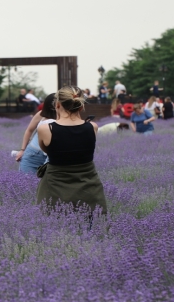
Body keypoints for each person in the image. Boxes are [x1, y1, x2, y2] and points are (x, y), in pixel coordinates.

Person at [36, 86, 107, 216]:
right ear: (80, 107)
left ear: (57, 105)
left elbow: (47, 150)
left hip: (55, 185)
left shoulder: (46, 129)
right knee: (92, 224)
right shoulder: (92, 127)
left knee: (54, 227)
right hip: (88, 186)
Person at [16, 93, 57, 174]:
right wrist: (22, 150)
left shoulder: (65, 118)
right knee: (26, 182)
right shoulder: (42, 114)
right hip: (33, 154)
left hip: (53, 157)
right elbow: (29, 130)